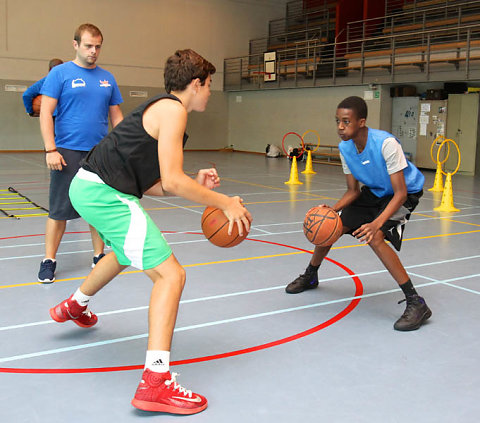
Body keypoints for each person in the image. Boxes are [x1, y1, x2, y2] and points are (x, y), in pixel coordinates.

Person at [48, 49, 252, 415]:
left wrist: (195, 181)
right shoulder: (173, 111)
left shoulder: (161, 111)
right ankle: (155, 382)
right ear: (196, 83)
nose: (209, 92)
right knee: (171, 276)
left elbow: (154, 183)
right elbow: (173, 182)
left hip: (92, 186)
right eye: (209, 86)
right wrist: (223, 202)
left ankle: (74, 305)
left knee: (125, 253)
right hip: (103, 192)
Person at [286, 96, 432, 332]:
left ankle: (416, 302)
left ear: (361, 122)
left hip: (404, 194)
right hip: (373, 192)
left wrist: (376, 224)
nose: (340, 127)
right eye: (337, 121)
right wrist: (331, 211)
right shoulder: (346, 148)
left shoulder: (386, 144)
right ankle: (311, 275)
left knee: (375, 238)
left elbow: (400, 194)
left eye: (346, 121)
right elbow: (352, 191)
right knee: (331, 226)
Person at [38, 23, 123, 283]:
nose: (93, 51)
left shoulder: (108, 78)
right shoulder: (60, 74)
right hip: (65, 151)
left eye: (98, 46)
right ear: (75, 45)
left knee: (96, 208)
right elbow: (45, 112)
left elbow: (116, 116)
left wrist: (123, 148)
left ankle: (98, 256)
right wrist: (50, 149)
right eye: (88, 46)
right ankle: (49, 259)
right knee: (59, 210)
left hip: (99, 154)